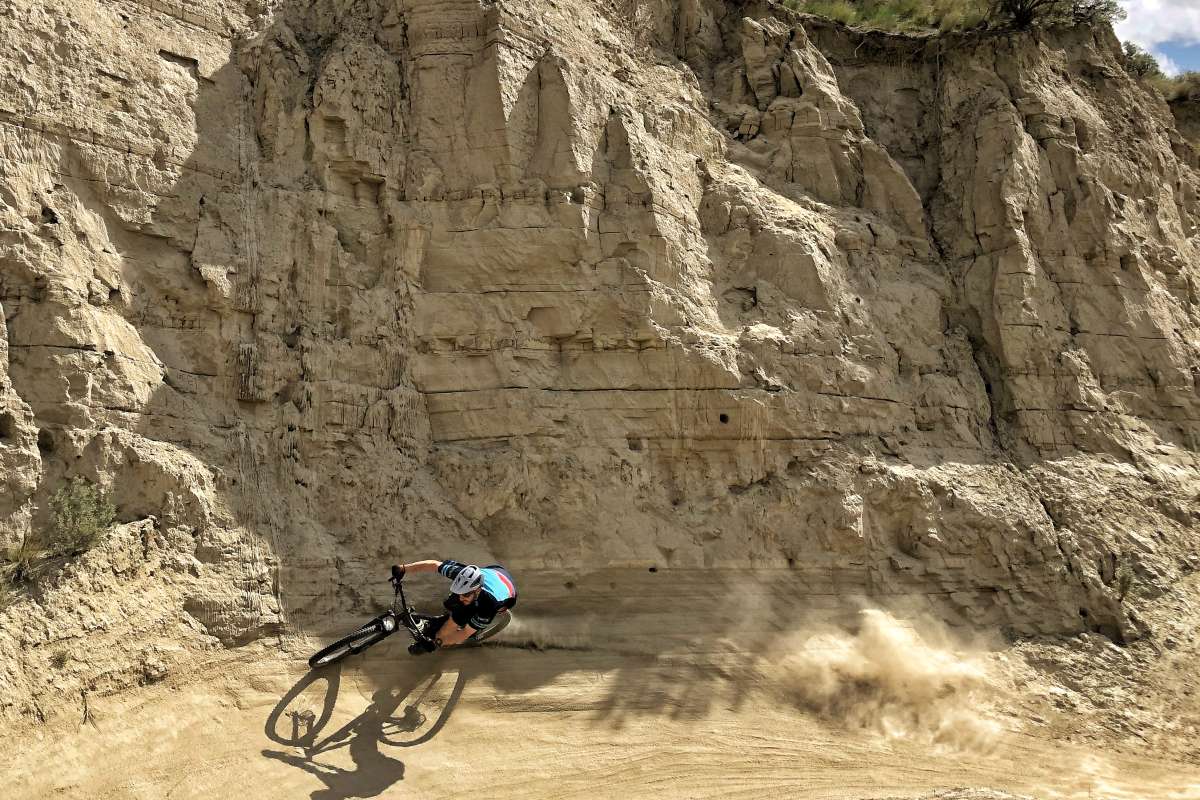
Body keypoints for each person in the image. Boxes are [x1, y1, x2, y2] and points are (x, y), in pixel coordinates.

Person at [390, 559, 518, 655]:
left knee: (459, 617)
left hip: (507, 594)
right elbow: (434, 565)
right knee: (451, 603)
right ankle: (451, 617)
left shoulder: (489, 604)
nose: (461, 597)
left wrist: (436, 643)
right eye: (460, 593)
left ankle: (464, 622)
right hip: (494, 571)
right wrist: (403, 568)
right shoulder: (460, 574)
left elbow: (464, 634)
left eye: (466, 594)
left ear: (477, 590)